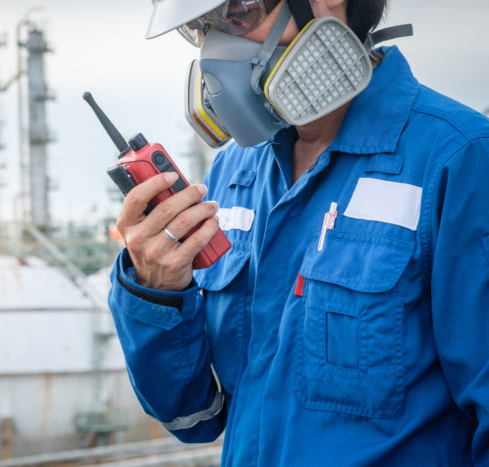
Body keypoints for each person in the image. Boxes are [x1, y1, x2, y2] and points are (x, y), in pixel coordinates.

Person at [107, 0, 489, 465]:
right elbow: (194, 417)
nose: (216, 50)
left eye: (237, 13)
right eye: (199, 28)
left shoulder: (460, 158)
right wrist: (156, 291)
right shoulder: (235, 171)